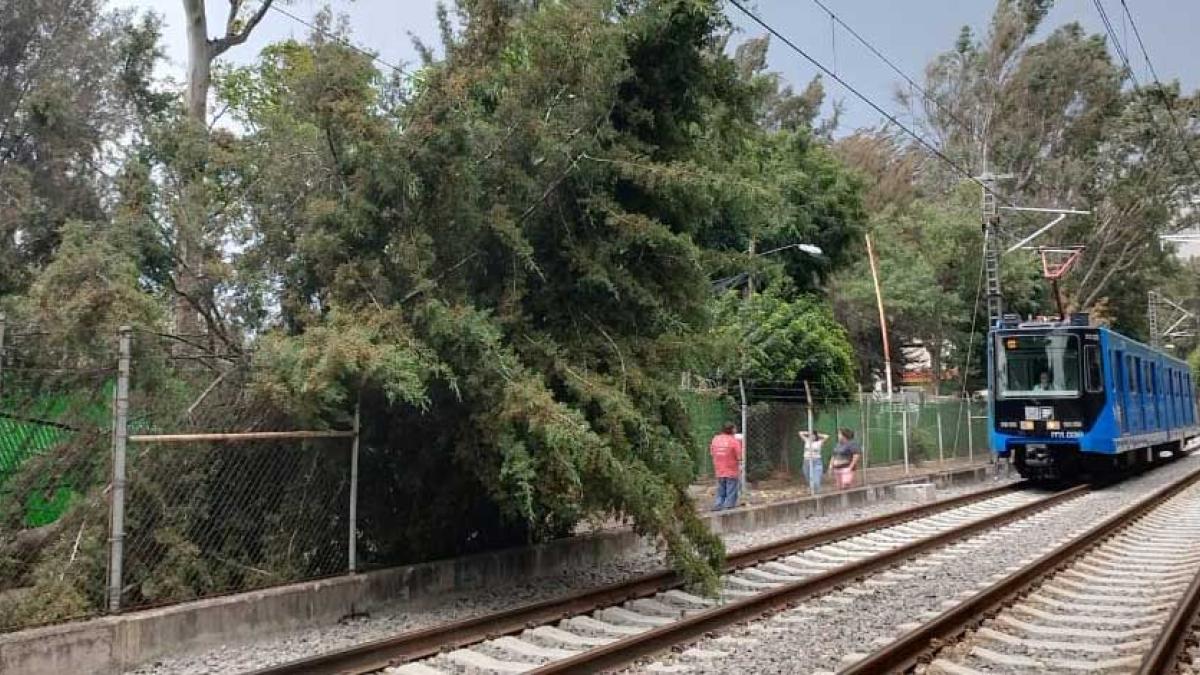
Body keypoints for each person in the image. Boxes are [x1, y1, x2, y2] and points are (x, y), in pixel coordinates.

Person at [710, 422, 743, 511]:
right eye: (735, 429)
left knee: (721, 489)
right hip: (731, 470)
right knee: (731, 490)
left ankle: (718, 504)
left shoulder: (715, 439)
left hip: (719, 469)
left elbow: (712, 452)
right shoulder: (734, 441)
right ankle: (728, 506)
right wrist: (740, 465)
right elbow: (739, 456)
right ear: (732, 430)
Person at [798, 430, 829, 495]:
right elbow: (800, 433)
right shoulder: (807, 441)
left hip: (816, 461)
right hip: (806, 461)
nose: (811, 436)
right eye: (810, 435)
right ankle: (812, 491)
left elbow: (827, 436)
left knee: (816, 480)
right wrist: (808, 432)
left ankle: (817, 492)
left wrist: (817, 434)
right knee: (807, 477)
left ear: (815, 436)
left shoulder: (819, 442)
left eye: (813, 435)